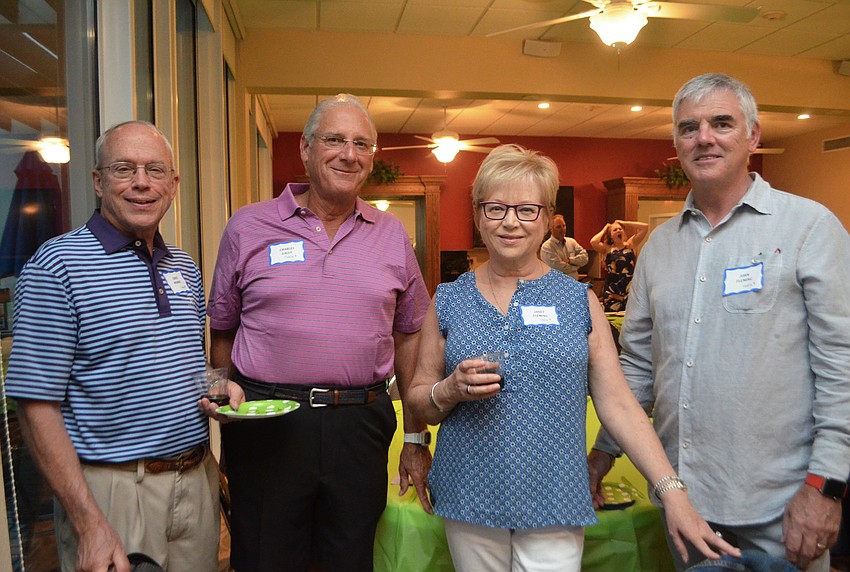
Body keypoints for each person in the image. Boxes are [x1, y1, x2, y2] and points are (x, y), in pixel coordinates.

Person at [406, 144, 738, 571]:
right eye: (495, 208)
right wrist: (447, 390)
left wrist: (672, 491)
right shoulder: (449, 299)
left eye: (527, 209)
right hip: (469, 490)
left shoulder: (579, 300)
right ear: (477, 214)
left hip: (555, 495)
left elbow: (619, 404)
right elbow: (418, 398)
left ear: (546, 217)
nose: (510, 222)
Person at [588, 73, 850, 572]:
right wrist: (600, 458)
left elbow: (843, 370)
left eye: (721, 123)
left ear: (753, 136)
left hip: (783, 512)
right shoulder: (659, 247)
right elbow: (639, 370)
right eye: (689, 128)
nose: (703, 137)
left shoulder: (810, 229)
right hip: (685, 507)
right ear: (676, 143)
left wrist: (826, 488)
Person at [206, 93, 432, 572]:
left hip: (361, 423)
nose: (349, 153)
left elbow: (411, 335)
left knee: (351, 558)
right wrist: (218, 387)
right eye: (334, 140)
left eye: (362, 144)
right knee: (265, 556)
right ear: (306, 149)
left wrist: (415, 437)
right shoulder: (249, 226)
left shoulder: (391, 234)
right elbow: (222, 325)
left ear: (371, 158)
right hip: (268, 422)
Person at [4, 120, 229, 572]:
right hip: (114, 491)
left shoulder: (182, 265)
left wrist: (221, 387)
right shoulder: (57, 265)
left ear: (174, 183)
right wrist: (89, 522)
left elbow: (185, 361)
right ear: (98, 181)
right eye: (124, 169)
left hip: (195, 478)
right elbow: (35, 404)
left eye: (155, 170)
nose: (142, 183)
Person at [590, 219, 648, 311]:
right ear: (611, 236)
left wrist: (624, 223)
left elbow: (645, 227)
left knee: (630, 315)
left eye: (620, 229)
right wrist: (605, 229)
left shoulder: (630, 244)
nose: (618, 231)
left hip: (629, 287)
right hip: (612, 289)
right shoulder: (607, 248)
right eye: (615, 230)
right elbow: (593, 242)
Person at [539, 213, 588, 279]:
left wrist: (570, 260)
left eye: (564, 226)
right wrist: (575, 267)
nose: (562, 229)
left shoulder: (572, 242)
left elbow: (585, 258)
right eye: (558, 227)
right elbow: (558, 267)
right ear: (551, 229)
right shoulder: (547, 247)